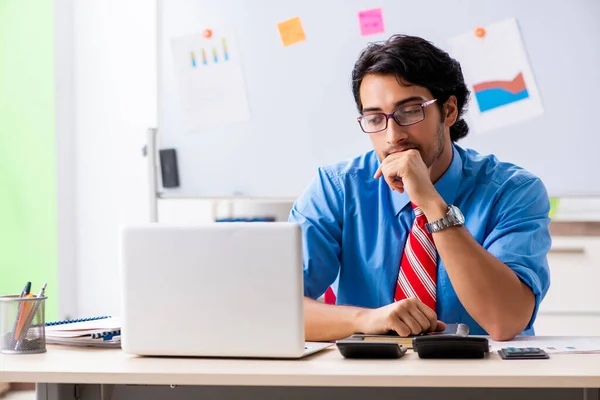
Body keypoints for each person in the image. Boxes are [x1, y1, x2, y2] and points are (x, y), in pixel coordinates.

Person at [288, 34, 551, 342]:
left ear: (449, 111)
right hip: (367, 381)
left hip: (479, 382)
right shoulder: (337, 189)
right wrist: (367, 318)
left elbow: (505, 321)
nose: (393, 135)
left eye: (410, 111)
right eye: (375, 118)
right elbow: (274, 307)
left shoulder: (513, 192)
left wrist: (431, 203)